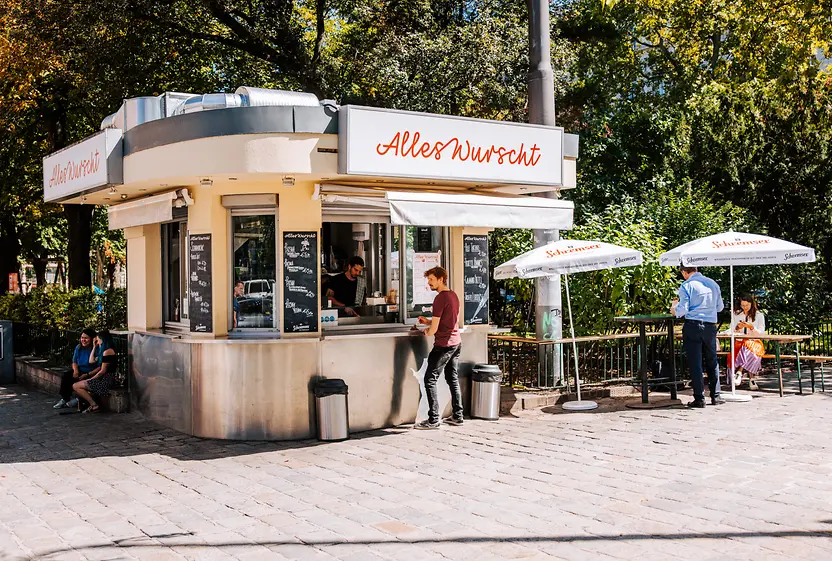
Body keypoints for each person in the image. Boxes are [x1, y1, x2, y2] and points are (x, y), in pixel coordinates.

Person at [414, 266, 464, 429]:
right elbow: (447, 319)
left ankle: (434, 419)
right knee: (452, 379)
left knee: (430, 379)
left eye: (431, 280)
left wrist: (426, 331)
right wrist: (428, 322)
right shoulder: (453, 295)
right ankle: (458, 416)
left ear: (441, 279)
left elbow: (433, 331)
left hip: (443, 345)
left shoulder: (440, 298)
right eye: (428, 280)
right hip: (456, 343)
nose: (429, 283)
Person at [670, 265, 725, 408]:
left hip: (693, 326)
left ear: (684, 272)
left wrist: (674, 310)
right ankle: (716, 396)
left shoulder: (686, 285)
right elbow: (720, 307)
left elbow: (683, 310)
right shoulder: (713, 283)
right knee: (712, 361)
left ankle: (700, 398)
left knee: (696, 363)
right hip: (710, 326)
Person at [725, 294, 766, 390]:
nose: (745, 308)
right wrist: (738, 327)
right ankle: (751, 379)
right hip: (740, 341)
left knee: (748, 345)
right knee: (745, 346)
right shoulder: (737, 315)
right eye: (742, 305)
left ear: (752, 304)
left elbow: (761, 333)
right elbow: (731, 329)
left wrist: (751, 327)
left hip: (755, 342)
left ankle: (739, 372)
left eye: (747, 305)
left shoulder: (759, 315)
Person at [72, 330, 118, 413]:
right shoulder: (102, 351)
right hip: (102, 378)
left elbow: (102, 371)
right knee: (76, 384)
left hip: (106, 380)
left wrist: (90, 379)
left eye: (98, 339)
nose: (97, 341)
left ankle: (94, 405)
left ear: (102, 339)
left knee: (76, 386)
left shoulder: (108, 352)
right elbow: (91, 361)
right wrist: (94, 347)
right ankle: (91, 404)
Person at [53, 328, 99, 409]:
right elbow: (74, 361)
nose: (83, 340)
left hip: (91, 373)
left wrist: (87, 374)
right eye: (82, 338)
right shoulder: (78, 347)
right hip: (80, 370)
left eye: (86, 338)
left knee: (85, 383)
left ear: (92, 339)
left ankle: (79, 400)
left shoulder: (96, 349)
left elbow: (99, 367)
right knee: (67, 376)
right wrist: (76, 371)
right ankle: (65, 398)